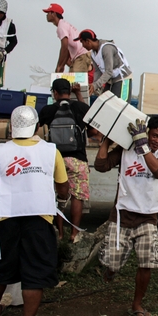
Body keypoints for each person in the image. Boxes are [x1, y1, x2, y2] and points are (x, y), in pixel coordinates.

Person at [0, 105, 69, 316]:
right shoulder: (52, 151)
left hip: (5, 220)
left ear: (12, 126)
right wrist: (63, 201)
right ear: (38, 126)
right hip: (40, 219)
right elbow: (63, 186)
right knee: (35, 274)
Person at [94, 115, 158, 316]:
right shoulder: (126, 151)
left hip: (148, 217)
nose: (157, 141)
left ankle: (137, 305)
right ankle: (110, 270)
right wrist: (106, 142)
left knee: (146, 263)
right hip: (122, 215)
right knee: (113, 263)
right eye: (154, 135)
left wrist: (144, 147)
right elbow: (101, 166)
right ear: (147, 132)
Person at [39, 78, 94, 243]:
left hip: (55, 159)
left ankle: (60, 233)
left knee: (58, 196)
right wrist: (79, 95)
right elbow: (91, 123)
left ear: (55, 93)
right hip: (78, 159)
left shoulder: (47, 110)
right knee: (78, 197)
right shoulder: (80, 107)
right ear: (69, 92)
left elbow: (39, 132)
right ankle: (74, 234)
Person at [74, 29, 133, 102]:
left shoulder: (106, 48)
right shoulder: (93, 53)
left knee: (120, 105)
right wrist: (93, 85)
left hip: (122, 78)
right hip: (111, 80)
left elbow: (109, 71)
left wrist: (95, 85)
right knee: (105, 102)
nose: (82, 46)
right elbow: (97, 71)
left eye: (82, 42)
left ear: (88, 41)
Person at [42, 3, 92, 76]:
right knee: (72, 81)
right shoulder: (64, 24)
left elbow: (64, 47)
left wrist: (59, 66)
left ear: (54, 14)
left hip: (81, 55)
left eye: (48, 12)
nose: (47, 15)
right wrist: (62, 65)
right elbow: (67, 50)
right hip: (81, 55)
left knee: (76, 82)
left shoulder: (61, 26)